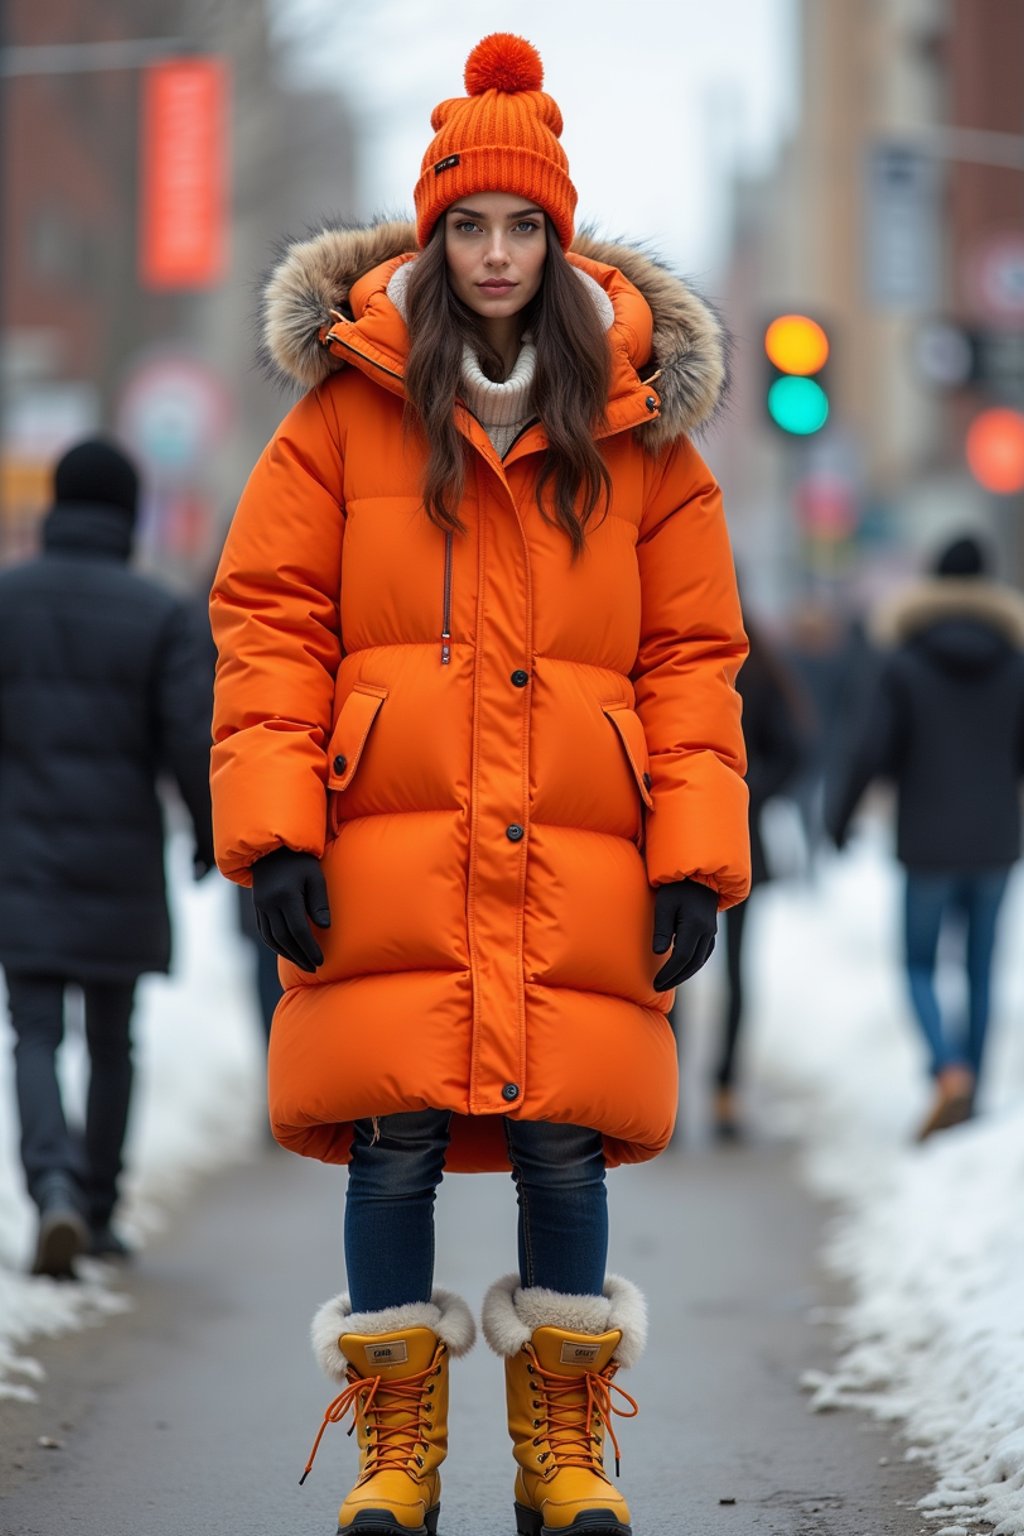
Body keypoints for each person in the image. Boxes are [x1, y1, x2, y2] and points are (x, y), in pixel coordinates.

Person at [211, 34, 749, 1536]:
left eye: (524, 226)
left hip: (578, 843)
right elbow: (269, 624)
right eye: (471, 225)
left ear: (559, 238)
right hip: (393, 839)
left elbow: (695, 658)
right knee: (391, 1136)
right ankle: (398, 1451)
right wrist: (273, 833)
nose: (498, 254)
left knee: (563, 1130)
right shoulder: (340, 418)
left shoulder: (644, 437)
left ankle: (561, 1451)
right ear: (433, 234)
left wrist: (696, 854)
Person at [0, 438, 215, 1276]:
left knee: (34, 1033)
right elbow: (190, 738)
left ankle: (50, 1183)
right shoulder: (156, 612)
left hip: (20, 857)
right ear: (127, 514)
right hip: (120, 857)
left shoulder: (7, 600)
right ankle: (98, 1206)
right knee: (113, 1037)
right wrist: (208, 832)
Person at [827, 534, 1024, 1141]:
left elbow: (872, 750)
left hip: (927, 840)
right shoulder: (1017, 663)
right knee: (981, 970)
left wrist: (840, 817)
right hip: (995, 841)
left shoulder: (906, 661)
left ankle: (948, 1073)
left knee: (917, 963)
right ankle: (975, 1091)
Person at [713, 617, 804, 1139]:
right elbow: (794, 750)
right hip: (743, 842)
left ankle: (680, 1089)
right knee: (736, 970)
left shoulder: (671, 657)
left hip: (679, 838)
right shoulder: (759, 666)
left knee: (665, 969)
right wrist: (748, 790)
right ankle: (725, 1091)